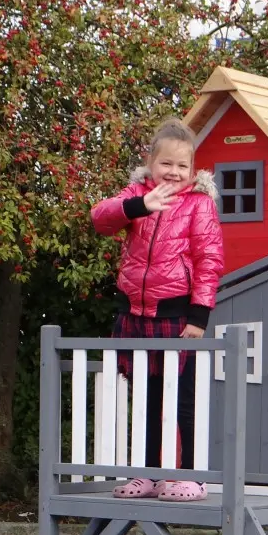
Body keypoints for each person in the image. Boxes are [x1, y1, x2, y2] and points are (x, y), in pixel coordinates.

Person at [91, 118, 224, 502]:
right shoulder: (136, 194)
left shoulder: (199, 203)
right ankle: (148, 474)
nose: (174, 172)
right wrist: (138, 206)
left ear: (193, 169)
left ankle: (193, 477)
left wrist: (199, 316)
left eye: (183, 165)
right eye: (166, 163)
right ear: (151, 162)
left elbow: (209, 260)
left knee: (183, 399)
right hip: (136, 314)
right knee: (147, 400)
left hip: (177, 316)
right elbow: (100, 219)